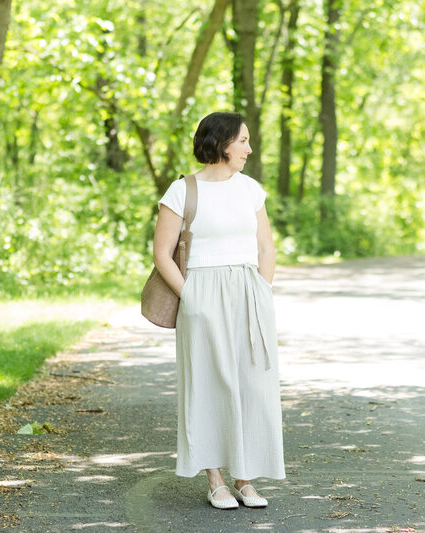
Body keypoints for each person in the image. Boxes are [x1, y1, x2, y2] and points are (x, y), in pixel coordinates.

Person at [153, 112, 285, 509]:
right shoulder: (182, 190)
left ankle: (245, 479)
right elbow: (162, 254)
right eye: (243, 140)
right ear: (222, 142)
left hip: (248, 291)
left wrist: (262, 289)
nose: (249, 148)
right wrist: (191, 296)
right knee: (209, 385)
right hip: (201, 291)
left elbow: (265, 247)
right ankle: (215, 480)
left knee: (251, 384)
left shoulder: (250, 190)